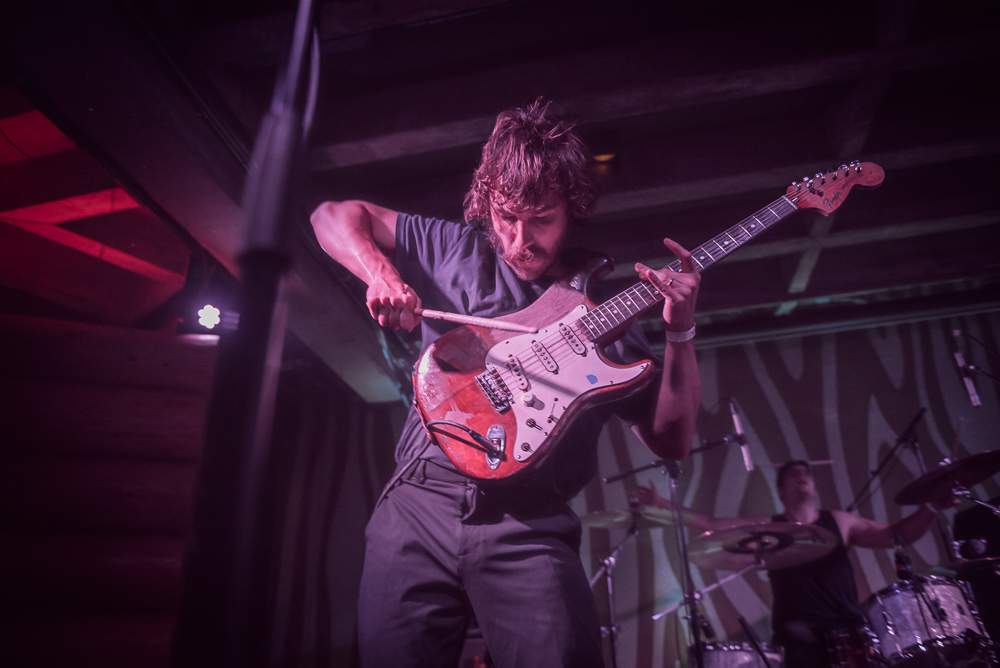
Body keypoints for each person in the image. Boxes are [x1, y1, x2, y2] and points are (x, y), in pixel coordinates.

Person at [309, 99, 702, 668]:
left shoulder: (606, 317)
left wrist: (681, 333)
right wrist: (382, 274)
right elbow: (331, 215)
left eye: (541, 218)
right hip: (420, 502)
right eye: (506, 216)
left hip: (530, 523)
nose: (520, 239)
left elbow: (671, 441)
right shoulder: (455, 249)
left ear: (574, 208)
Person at [636, 459, 957, 667]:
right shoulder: (769, 526)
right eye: (793, 474)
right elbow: (712, 522)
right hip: (797, 634)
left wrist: (930, 506)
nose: (802, 476)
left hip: (848, 627)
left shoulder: (841, 521)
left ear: (814, 489)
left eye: (807, 473)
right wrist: (663, 504)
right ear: (781, 489)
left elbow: (895, 536)